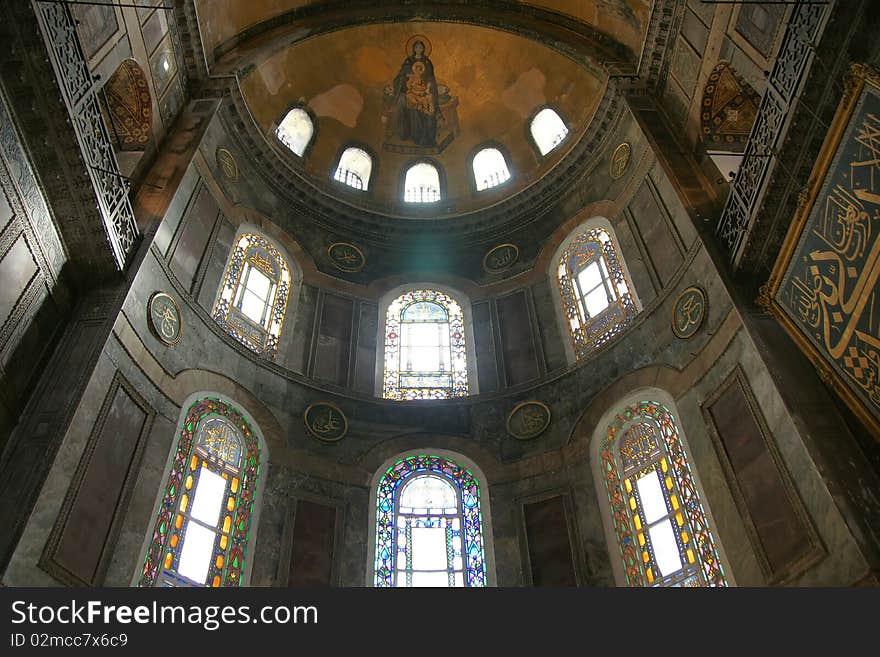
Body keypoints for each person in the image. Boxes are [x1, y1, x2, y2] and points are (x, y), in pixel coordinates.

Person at [390, 40, 440, 146]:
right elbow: (400, 77)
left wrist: (427, 86)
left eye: (420, 47)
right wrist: (406, 78)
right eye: (417, 47)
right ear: (413, 49)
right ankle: (414, 136)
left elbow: (431, 79)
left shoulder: (427, 62)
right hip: (411, 93)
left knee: (429, 107)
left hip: (424, 93)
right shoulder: (408, 61)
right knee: (411, 105)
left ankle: (429, 137)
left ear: (423, 49)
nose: (419, 49)